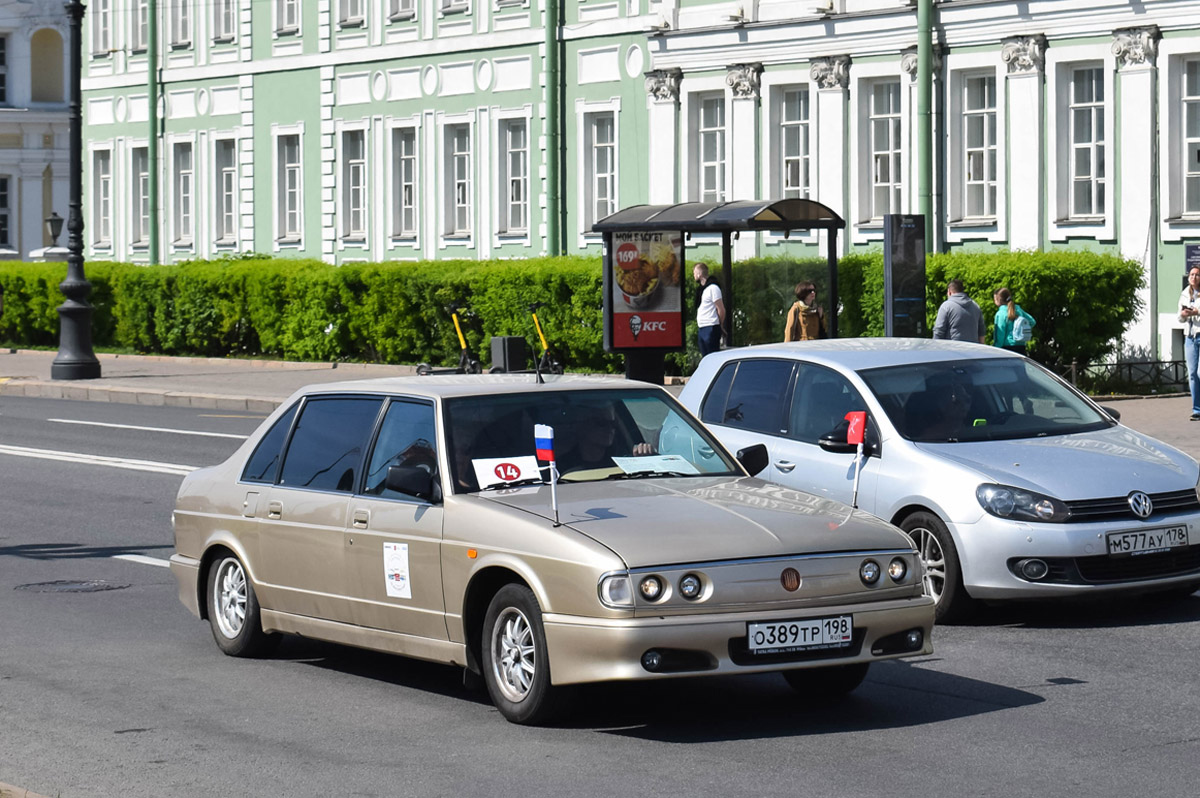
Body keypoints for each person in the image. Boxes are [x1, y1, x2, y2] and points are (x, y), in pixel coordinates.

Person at [1180, 266, 1200, 420]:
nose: (1194, 277)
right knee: (1192, 374)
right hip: (1190, 337)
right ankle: (1197, 410)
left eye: (1197, 275)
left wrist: (1196, 312)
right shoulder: (1185, 294)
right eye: (1192, 274)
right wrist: (1183, 314)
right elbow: (1179, 317)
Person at [992, 287, 1036, 355]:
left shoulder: (1000, 314)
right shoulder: (1018, 309)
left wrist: (995, 350)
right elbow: (1032, 321)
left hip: (1007, 349)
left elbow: (1000, 336)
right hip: (1021, 347)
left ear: (998, 300)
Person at [693, 262, 725, 357]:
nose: (694, 275)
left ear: (699, 274)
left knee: (712, 356)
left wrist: (720, 325)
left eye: (694, 273)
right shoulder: (702, 290)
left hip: (711, 326)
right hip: (702, 326)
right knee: (705, 357)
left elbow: (721, 309)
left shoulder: (713, 288)